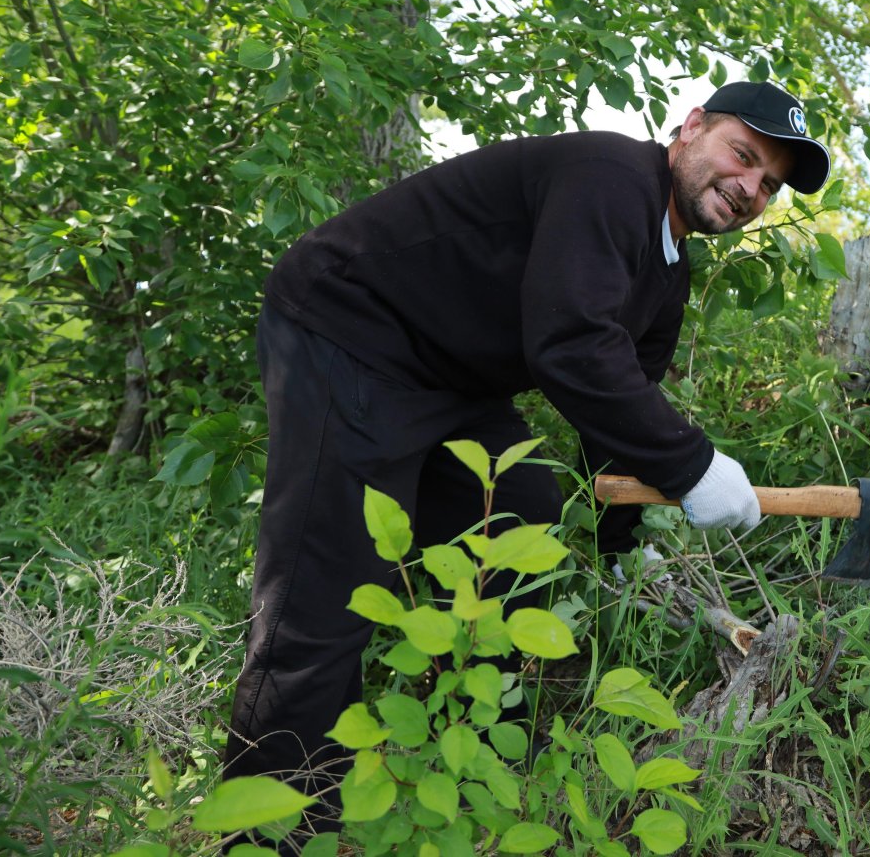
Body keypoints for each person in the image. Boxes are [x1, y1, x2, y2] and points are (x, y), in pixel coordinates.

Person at [221, 80, 830, 840]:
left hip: (450, 377)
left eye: (768, 185)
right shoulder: (611, 180)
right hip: (350, 328)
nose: (749, 188)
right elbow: (572, 346)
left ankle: (455, 755)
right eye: (743, 156)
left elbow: (617, 401)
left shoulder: (666, 268)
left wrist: (622, 550)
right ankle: (272, 832)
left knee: (523, 516)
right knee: (326, 590)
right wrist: (696, 466)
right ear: (692, 127)